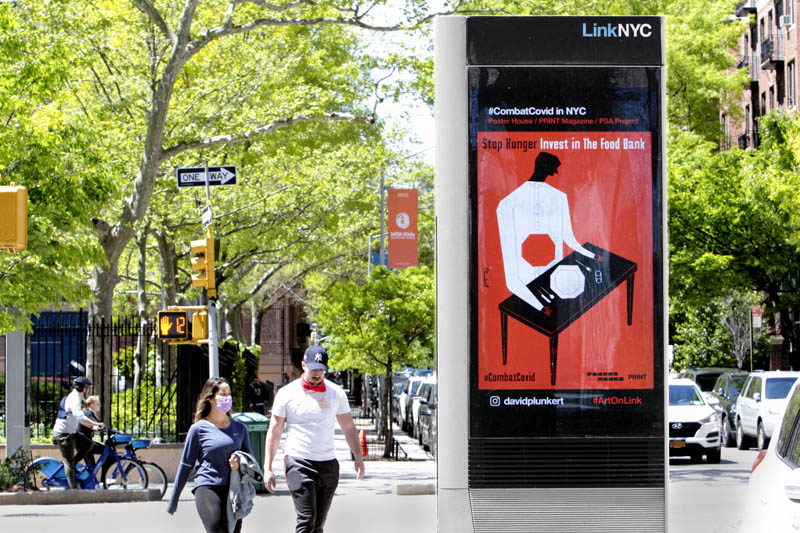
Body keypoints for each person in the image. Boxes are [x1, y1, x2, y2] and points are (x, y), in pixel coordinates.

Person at [264, 346, 365, 533]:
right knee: (307, 519)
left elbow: (349, 427)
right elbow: (275, 431)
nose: (317, 373)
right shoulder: (287, 393)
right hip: (298, 461)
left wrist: (358, 456)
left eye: (321, 369)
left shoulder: (336, 393)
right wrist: (267, 467)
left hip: (328, 464)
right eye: (312, 368)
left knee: (318, 524)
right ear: (303, 366)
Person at [496, 151, 600, 312]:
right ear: (545, 168)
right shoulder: (507, 205)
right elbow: (512, 279)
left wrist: (592, 256)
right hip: (528, 287)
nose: (554, 174)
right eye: (553, 169)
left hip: (557, 281)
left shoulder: (559, 198)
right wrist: (539, 306)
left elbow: (568, 238)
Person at [167, 377, 252, 533]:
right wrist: (174, 498)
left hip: (233, 488)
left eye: (229, 394)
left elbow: (250, 461)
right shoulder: (198, 429)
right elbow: (186, 464)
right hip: (207, 486)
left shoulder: (240, 428)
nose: (228, 398)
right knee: (218, 529)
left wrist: (240, 462)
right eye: (223, 394)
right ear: (211, 398)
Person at [51, 376, 105, 488]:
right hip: (63, 434)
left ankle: (74, 464)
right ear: (84, 389)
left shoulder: (77, 397)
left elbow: (80, 419)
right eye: (87, 387)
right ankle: (73, 489)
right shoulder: (74, 398)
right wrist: (96, 424)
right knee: (68, 461)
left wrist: (93, 427)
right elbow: (80, 417)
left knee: (88, 444)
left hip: (71, 432)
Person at [78, 395, 106, 469]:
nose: (100, 405)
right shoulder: (87, 413)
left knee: (91, 467)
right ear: (92, 404)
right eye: (98, 404)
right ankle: (103, 477)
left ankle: (92, 477)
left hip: (85, 442)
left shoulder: (90, 413)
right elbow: (92, 424)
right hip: (84, 443)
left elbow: (93, 426)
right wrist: (98, 427)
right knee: (106, 450)